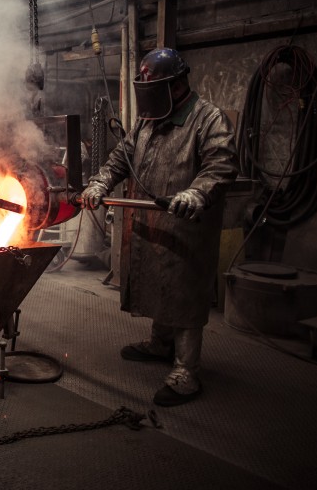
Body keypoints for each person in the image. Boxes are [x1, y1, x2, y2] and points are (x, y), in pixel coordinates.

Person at [81, 47, 238, 407]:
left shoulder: (208, 119)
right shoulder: (147, 122)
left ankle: (186, 371)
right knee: (156, 280)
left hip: (186, 226)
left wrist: (197, 193)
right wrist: (100, 183)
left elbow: (221, 164)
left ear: (177, 85)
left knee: (183, 291)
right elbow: (121, 158)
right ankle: (161, 344)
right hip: (150, 221)